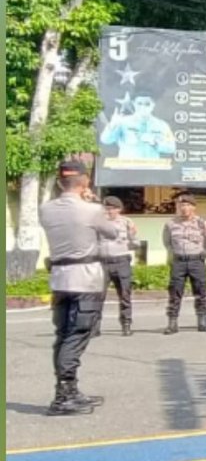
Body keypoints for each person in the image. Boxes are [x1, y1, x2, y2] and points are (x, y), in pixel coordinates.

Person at [40, 159, 118, 415]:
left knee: (63, 334)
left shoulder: (45, 209)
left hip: (60, 279)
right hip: (85, 279)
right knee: (78, 333)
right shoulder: (92, 210)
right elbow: (112, 232)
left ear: (60, 181)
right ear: (85, 181)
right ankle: (64, 395)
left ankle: (68, 389)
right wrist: (94, 203)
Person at [162, 193, 206, 334]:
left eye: (187, 205)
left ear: (193, 207)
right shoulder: (170, 224)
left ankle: (202, 322)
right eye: (181, 205)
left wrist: (201, 252)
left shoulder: (202, 223)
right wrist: (174, 255)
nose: (184, 208)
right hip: (179, 261)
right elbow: (167, 243)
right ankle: (172, 323)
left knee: (200, 291)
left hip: (196, 260)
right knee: (175, 293)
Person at [100, 195, 138, 336]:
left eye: (111, 209)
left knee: (124, 294)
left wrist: (132, 237)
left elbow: (135, 243)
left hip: (121, 262)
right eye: (106, 208)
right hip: (102, 262)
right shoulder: (98, 223)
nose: (108, 211)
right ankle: (94, 326)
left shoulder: (127, 223)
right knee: (98, 296)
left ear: (119, 209)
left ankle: (126, 324)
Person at [99, 94, 176, 161]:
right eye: (139, 103)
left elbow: (171, 147)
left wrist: (154, 142)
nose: (143, 106)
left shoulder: (162, 125)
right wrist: (112, 125)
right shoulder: (123, 122)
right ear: (134, 104)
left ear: (153, 105)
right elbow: (106, 140)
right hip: (127, 168)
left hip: (152, 168)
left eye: (147, 104)